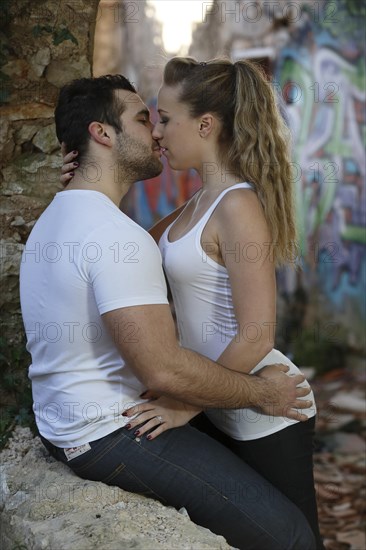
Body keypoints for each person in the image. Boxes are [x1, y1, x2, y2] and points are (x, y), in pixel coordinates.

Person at [25, 74, 317, 550]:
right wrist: (256, 392)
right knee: (287, 536)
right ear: (102, 134)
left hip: (220, 404)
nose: (156, 133)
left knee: (291, 530)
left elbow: (252, 329)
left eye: (162, 119)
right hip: (140, 418)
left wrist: (81, 190)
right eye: (146, 119)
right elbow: (160, 363)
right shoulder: (122, 229)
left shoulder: (69, 221)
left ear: (205, 126)